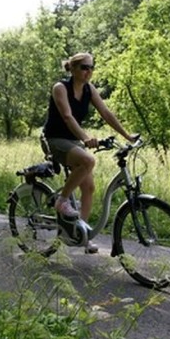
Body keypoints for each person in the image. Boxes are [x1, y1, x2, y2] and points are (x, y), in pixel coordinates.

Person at [42, 53, 136, 253]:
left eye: (91, 68)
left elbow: (106, 113)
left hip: (74, 141)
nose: (88, 72)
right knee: (88, 160)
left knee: (89, 187)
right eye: (84, 67)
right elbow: (67, 117)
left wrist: (127, 136)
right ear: (73, 68)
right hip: (56, 140)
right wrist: (85, 138)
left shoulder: (88, 89)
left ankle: (81, 234)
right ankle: (62, 200)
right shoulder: (60, 88)